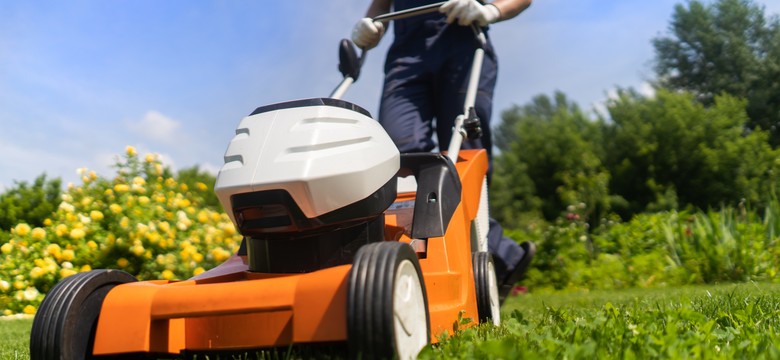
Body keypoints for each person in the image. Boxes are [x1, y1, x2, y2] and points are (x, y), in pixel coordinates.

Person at [351, 0, 535, 304]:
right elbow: (381, 5)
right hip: (407, 56)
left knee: (464, 155)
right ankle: (496, 256)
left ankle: (479, 260)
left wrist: (492, 11)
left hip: (464, 41)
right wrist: (370, 24)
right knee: (402, 157)